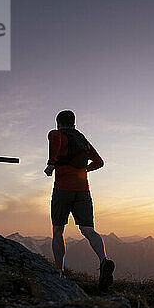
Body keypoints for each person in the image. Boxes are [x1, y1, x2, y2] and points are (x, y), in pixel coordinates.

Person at [44, 110, 115, 291]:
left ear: (58, 122)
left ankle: (59, 271)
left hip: (62, 189)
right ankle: (103, 260)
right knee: (88, 229)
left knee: (58, 229)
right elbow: (99, 162)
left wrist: (52, 164)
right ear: (74, 124)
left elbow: (55, 139)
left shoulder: (56, 134)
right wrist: (84, 171)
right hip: (83, 191)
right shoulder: (83, 141)